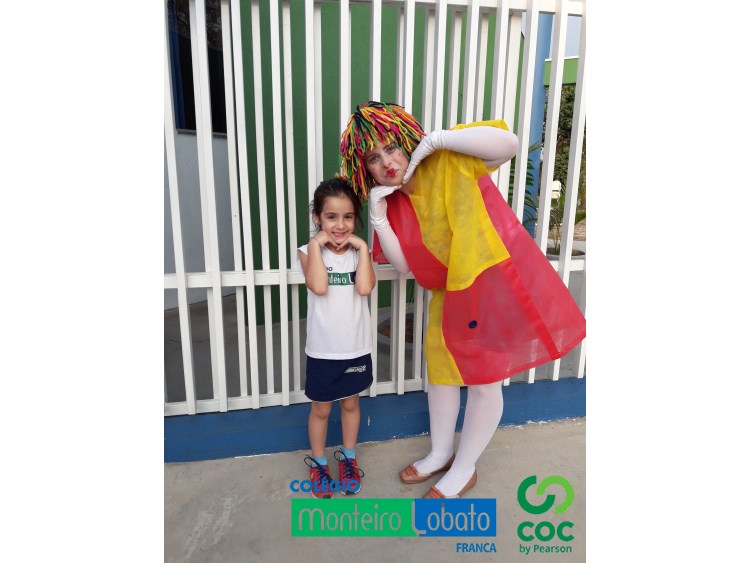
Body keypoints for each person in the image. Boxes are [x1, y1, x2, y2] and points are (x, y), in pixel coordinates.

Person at [339, 101, 586, 498]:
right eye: (373, 157)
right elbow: (404, 266)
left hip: (487, 283)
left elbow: (508, 144)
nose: (387, 162)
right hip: (448, 293)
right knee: (440, 375)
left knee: (485, 380)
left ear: (407, 140)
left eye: (391, 148)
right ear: (364, 168)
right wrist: (380, 217)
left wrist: (438, 140)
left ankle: (464, 466)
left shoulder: (448, 157)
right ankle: (440, 453)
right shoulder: (394, 200)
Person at [297, 177, 376, 499]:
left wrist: (364, 248)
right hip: (323, 350)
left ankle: (348, 459)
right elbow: (318, 286)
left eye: (347, 217)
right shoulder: (308, 252)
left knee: (351, 404)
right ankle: (319, 465)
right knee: (320, 410)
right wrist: (316, 244)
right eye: (331, 217)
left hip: (355, 348)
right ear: (317, 217)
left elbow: (365, 288)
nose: (340, 225)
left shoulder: (359, 254)